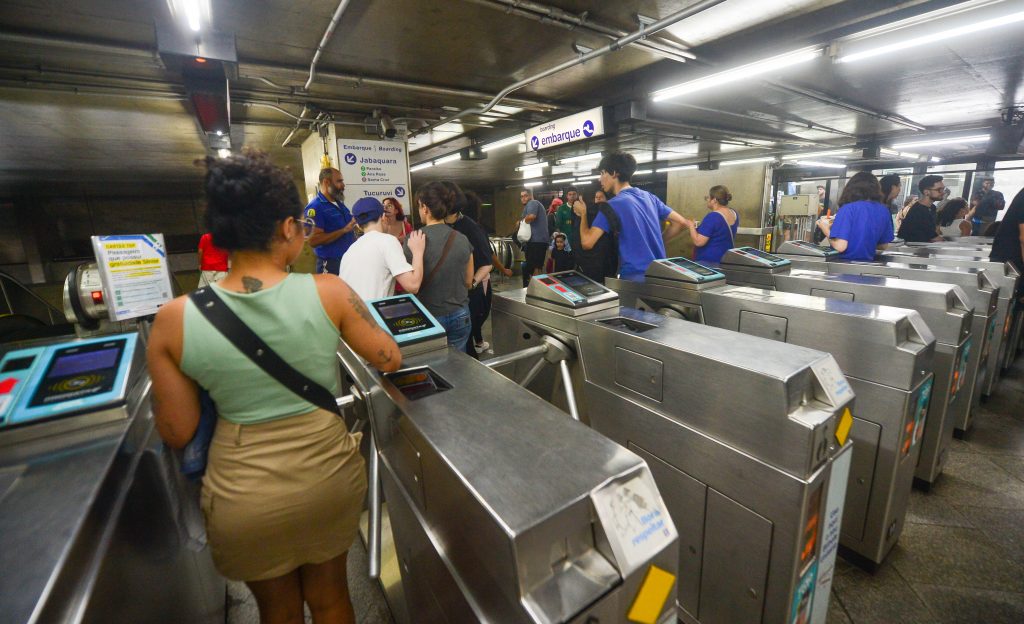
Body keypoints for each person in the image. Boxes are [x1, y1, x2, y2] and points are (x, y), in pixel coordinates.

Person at [147, 150, 400, 624]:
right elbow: (389, 357)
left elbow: (178, 431)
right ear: (288, 228)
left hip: (242, 497)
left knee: (277, 610)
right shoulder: (329, 292)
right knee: (331, 599)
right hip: (326, 479)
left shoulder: (173, 320)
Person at [574, 152, 687, 277]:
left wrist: (583, 214)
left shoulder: (612, 205)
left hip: (634, 278)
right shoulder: (650, 197)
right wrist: (655, 241)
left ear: (614, 173)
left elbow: (587, 243)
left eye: (602, 173)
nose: (599, 179)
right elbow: (680, 223)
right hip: (660, 275)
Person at [405, 182, 474, 351]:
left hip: (428, 316)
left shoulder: (412, 240)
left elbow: (408, 285)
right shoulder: (462, 239)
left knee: (432, 362)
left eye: (419, 206)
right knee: (458, 362)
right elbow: (468, 281)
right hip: (460, 314)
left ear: (425, 208)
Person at [441, 182, 493, 356]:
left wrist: (471, 283)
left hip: (467, 295)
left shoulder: (470, 228)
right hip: (447, 296)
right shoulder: (438, 226)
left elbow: (487, 262)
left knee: (466, 344)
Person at [339, 197, 426, 300]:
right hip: (372, 310)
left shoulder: (349, 252)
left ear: (358, 225)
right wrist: (417, 252)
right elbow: (413, 285)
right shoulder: (387, 241)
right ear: (383, 217)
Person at [816, 171, 893, 261]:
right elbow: (883, 246)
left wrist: (824, 227)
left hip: (843, 264)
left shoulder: (848, 209)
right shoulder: (883, 210)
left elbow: (840, 246)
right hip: (868, 264)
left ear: (851, 188)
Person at [305, 168, 357, 274]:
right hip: (331, 264)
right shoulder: (315, 207)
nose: (343, 185)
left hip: (348, 260)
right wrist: (343, 230)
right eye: (339, 181)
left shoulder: (339, 203)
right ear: (326, 182)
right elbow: (313, 240)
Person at [682, 185, 738, 264]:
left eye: (708, 198)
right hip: (725, 261)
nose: (707, 200)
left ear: (714, 200)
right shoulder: (733, 213)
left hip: (709, 263)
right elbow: (719, 233)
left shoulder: (713, 216)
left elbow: (698, 242)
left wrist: (691, 225)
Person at [897, 175, 944, 243]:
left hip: (923, 247)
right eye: (939, 190)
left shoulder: (932, 207)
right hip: (912, 248)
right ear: (926, 192)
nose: (943, 192)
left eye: (943, 189)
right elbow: (933, 237)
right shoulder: (918, 210)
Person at [518, 189, 549, 287]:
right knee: (537, 267)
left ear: (531, 196)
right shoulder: (532, 205)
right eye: (521, 196)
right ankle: (538, 289)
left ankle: (536, 290)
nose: (523, 198)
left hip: (536, 241)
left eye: (525, 195)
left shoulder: (532, 203)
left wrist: (521, 222)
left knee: (535, 268)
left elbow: (531, 216)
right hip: (538, 241)